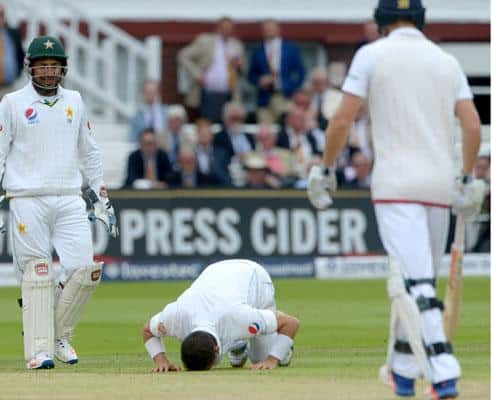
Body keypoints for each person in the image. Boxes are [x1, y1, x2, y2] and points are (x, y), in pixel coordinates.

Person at [306, 1, 485, 398]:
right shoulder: (445, 60)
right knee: (418, 278)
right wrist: (466, 178)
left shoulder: (371, 54)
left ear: (382, 23)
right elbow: (471, 126)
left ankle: (443, 373)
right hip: (439, 186)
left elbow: (341, 119)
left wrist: (325, 168)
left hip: (396, 186)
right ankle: (403, 372)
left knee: (416, 281)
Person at [0, 35, 118, 370]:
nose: (50, 72)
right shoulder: (12, 103)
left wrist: (101, 196)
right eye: (44, 66)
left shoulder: (75, 100)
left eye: (55, 66)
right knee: (38, 275)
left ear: (63, 69)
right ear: (31, 68)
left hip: (69, 197)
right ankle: (39, 351)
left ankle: (59, 335)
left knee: (83, 272)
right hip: (27, 198)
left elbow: (90, 151)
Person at [142, 259, 299, 372]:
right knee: (236, 330)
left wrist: (272, 360)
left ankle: (284, 351)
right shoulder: (174, 318)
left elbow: (291, 323)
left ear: (217, 348)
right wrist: (161, 360)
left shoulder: (241, 317)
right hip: (216, 273)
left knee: (261, 359)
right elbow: (148, 330)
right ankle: (238, 345)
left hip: (255, 277)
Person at [177, 17, 245, 123]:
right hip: (209, 92)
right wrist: (197, 74)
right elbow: (183, 56)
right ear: (218, 28)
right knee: (210, 123)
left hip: (229, 94)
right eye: (224, 28)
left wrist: (239, 66)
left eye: (229, 28)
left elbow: (241, 71)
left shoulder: (236, 45)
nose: (227, 31)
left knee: (228, 126)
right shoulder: (206, 41)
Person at [248, 20, 305, 125]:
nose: (268, 31)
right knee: (266, 128)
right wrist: (259, 81)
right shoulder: (258, 51)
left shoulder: (290, 48)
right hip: (264, 99)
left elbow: (300, 72)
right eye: (266, 29)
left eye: (271, 28)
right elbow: (251, 75)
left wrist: (292, 88)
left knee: (287, 127)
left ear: (278, 30)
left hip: (284, 97)